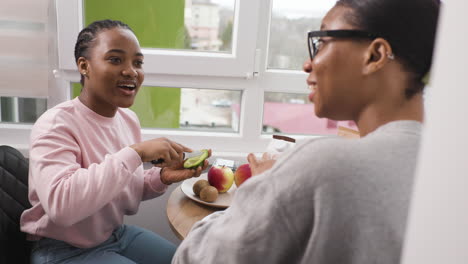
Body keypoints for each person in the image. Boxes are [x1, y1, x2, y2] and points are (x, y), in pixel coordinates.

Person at [172, 0, 440, 263]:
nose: (307, 64)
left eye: (321, 43)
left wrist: (261, 187)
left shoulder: (321, 162)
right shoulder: (447, 168)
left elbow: (194, 257)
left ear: (374, 56)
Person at [20, 19, 209, 264]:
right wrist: (136, 153)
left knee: (190, 260)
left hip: (114, 236)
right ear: (84, 66)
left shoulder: (127, 119)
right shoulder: (55, 124)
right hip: (61, 250)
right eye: (115, 59)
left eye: (138, 62)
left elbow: (120, 186)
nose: (131, 71)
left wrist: (160, 177)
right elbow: (62, 208)